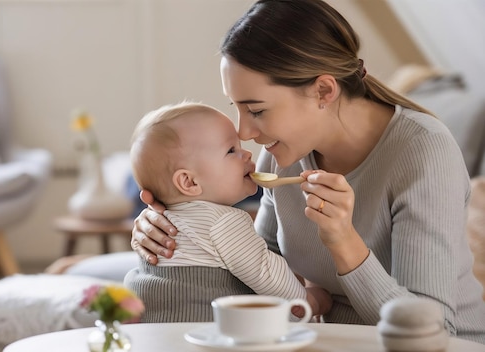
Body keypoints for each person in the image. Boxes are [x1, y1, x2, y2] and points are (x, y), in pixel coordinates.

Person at [130, 0, 485, 344]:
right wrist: (173, 228)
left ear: (324, 90)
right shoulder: (281, 154)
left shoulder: (423, 151)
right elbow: (259, 266)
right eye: (236, 107)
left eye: (256, 110)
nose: (243, 133)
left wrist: (344, 242)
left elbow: (433, 331)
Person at [124, 101, 331, 323]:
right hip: (201, 329)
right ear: (189, 181)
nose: (247, 154)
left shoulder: (162, 222)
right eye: (231, 150)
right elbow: (266, 271)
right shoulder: (223, 221)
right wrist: (308, 300)